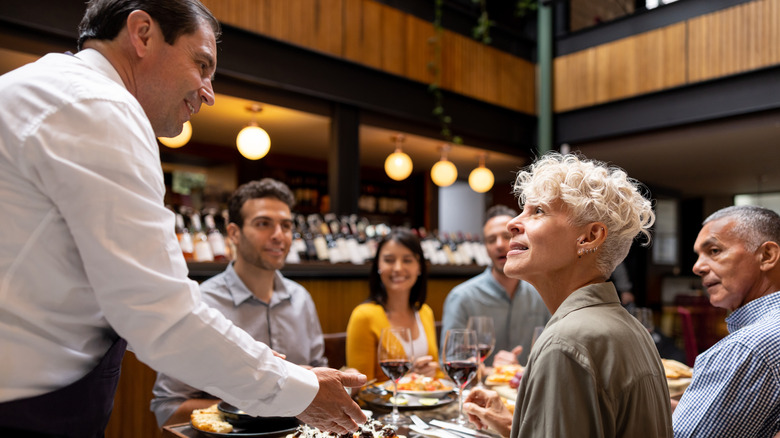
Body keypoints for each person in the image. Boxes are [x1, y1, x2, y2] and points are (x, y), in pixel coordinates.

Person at [0, 1, 365, 436]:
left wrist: (250, 360)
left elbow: (126, 303)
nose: (209, 92)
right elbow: (159, 314)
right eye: (202, 64)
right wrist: (300, 390)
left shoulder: (50, 87)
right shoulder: (97, 106)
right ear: (143, 34)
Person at [462, 152, 672, 437]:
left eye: (538, 211)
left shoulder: (566, 342)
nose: (513, 223)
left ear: (589, 237)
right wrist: (515, 427)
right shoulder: (631, 328)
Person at [151, 179, 329, 427]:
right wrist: (266, 404)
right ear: (234, 233)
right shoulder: (200, 303)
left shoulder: (301, 298)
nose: (279, 236)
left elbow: (320, 379)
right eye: (264, 224)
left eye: (286, 226)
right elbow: (169, 408)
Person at [672, 205, 780, 438]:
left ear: (767, 255)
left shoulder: (747, 347)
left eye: (714, 250)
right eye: (698, 255)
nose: (697, 267)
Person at [441, 205, 550, 366]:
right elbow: (449, 361)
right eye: (491, 240)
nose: (499, 245)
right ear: (485, 247)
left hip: (527, 389)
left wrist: (520, 372)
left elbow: (552, 356)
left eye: (507, 236)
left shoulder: (542, 294)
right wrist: (485, 371)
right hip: (478, 389)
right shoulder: (462, 298)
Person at [346, 229, 441, 381]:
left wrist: (432, 373)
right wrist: (409, 379)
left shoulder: (425, 312)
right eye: (389, 260)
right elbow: (361, 386)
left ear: (419, 267)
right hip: (381, 405)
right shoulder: (364, 316)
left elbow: (437, 374)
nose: (398, 268)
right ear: (378, 265)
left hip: (428, 403)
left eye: (407, 260)